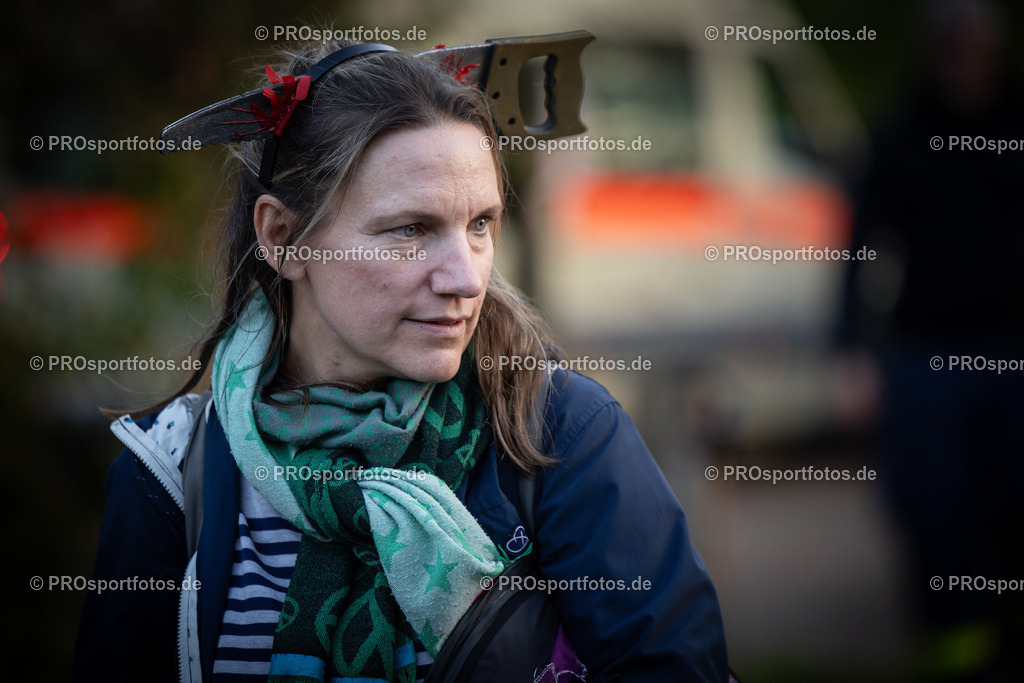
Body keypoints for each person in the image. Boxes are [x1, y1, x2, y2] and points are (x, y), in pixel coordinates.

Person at [73, 38, 729, 683]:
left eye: (480, 224)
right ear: (283, 238)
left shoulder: (556, 434)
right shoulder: (170, 478)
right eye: (411, 229)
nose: (467, 278)